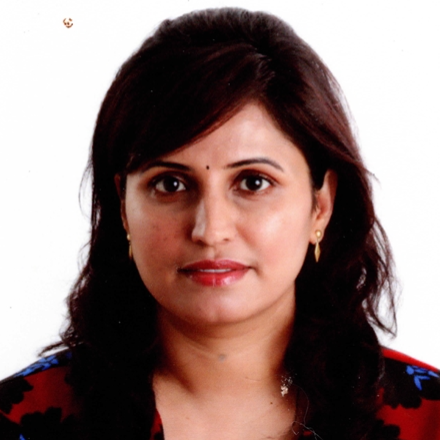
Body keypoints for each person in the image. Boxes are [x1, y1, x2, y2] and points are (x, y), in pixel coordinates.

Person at [1, 7, 439, 440]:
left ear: (320, 206)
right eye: (170, 184)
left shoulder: (429, 422)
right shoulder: (15, 421)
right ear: (122, 207)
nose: (210, 231)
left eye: (253, 182)